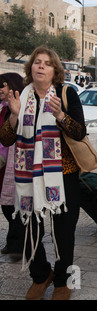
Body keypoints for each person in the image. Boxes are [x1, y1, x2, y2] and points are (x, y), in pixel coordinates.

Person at [0, 46, 86, 300]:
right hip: (28, 175)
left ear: (55, 71)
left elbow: (79, 132)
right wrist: (14, 116)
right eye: (37, 62)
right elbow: (5, 139)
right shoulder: (20, 96)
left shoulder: (66, 93)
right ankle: (40, 275)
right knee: (29, 227)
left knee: (64, 230)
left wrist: (60, 114)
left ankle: (65, 281)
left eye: (47, 63)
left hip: (64, 173)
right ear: (31, 67)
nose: (41, 66)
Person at [0, 73, 26, 259]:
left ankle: (18, 244)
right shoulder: (3, 109)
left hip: (14, 162)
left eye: (3, 85)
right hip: (3, 162)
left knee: (14, 205)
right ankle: (13, 240)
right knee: (6, 203)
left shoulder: (19, 108)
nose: (0, 89)